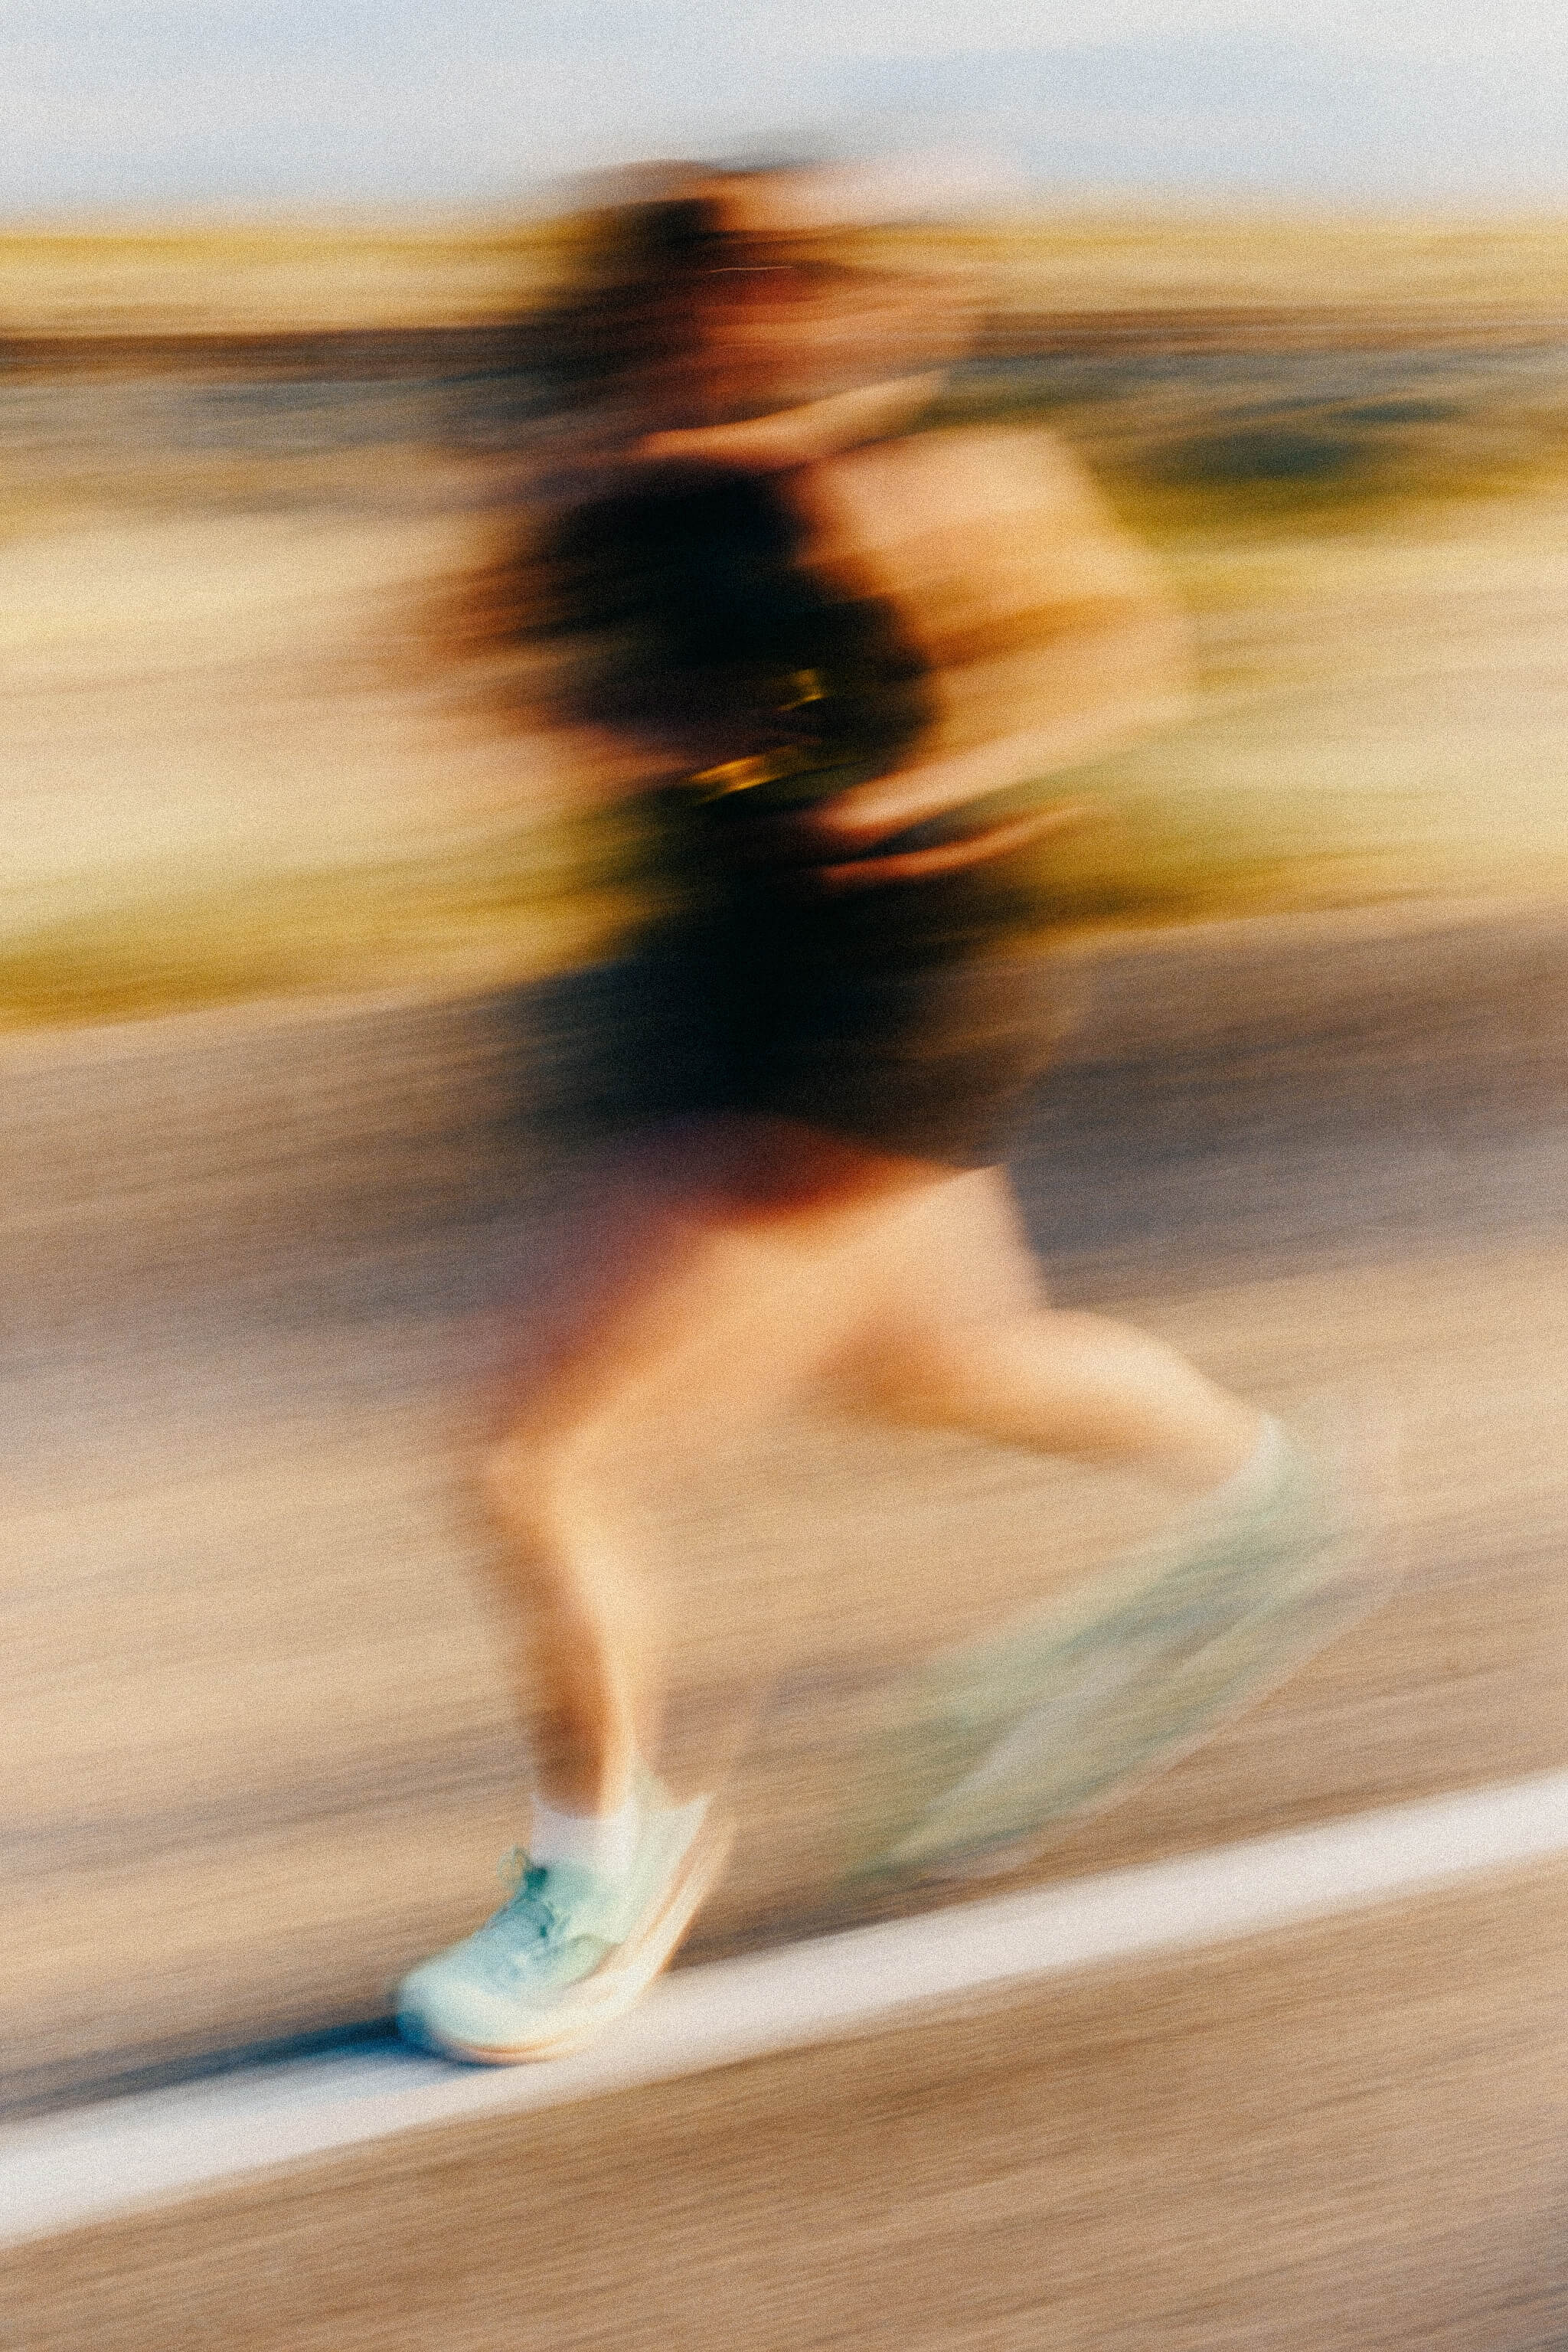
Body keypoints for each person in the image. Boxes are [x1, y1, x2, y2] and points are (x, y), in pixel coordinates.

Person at [395, 162, 1352, 2066]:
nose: (739, 316)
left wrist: (937, 777)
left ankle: (603, 1870)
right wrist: (649, 726)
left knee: (542, 1459)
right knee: (939, 1359)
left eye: (775, 281)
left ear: (831, 297)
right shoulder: (613, 492)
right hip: (717, 991)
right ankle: (1267, 1488)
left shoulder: (937, 478)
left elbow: (1122, 658)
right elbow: (474, 667)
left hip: (885, 1002)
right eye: (699, 284)